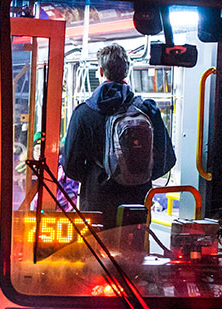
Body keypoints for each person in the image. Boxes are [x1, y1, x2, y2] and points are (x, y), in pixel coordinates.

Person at [61, 43, 176, 227]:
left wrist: (94, 177)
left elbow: (70, 166)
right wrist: (140, 174)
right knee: (136, 253)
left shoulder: (83, 113)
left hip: (96, 204)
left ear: (100, 71)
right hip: (137, 204)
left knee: (95, 253)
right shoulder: (147, 110)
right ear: (127, 72)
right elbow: (168, 160)